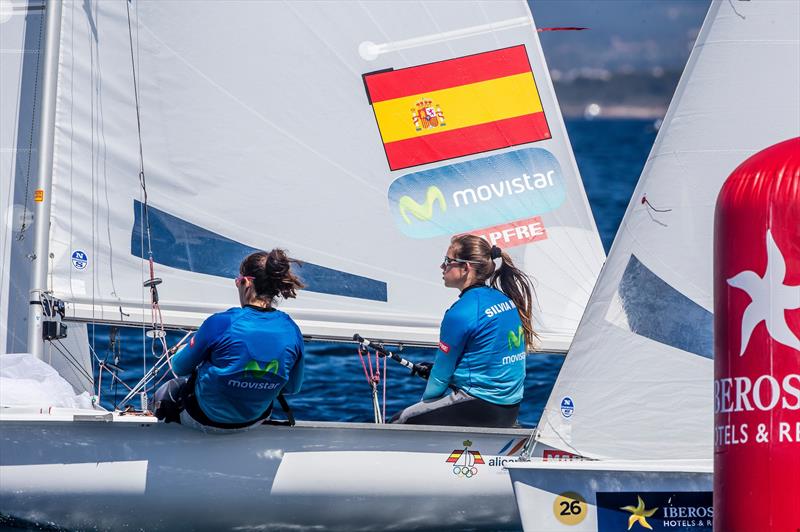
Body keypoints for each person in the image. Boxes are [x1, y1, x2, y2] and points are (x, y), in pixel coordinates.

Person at [152, 249, 305, 432]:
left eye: (238, 281)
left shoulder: (221, 323)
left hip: (203, 417)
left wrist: (182, 349)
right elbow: (293, 387)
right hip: (254, 420)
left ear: (247, 283)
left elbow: (179, 368)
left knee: (170, 389)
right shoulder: (292, 330)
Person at [392, 235, 536, 427]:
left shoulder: (460, 313)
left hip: (481, 406)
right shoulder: (505, 300)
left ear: (466, 267)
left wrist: (425, 404)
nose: (442, 267)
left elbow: (439, 379)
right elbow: (483, 361)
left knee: (400, 420)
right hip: (509, 408)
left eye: (447, 261)